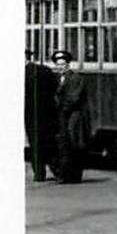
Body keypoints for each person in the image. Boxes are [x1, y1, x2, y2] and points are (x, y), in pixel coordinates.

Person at [50, 49, 91, 184]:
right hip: (62, 116)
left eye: (63, 64)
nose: (61, 67)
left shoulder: (76, 78)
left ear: (68, 65)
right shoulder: (57, 79)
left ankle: (73, 175)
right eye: (58, 64)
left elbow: (74, 98)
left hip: (73, 116)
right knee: (64, 146)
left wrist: (59, 106)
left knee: (74, 145)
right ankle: (65, 174)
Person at [24, 50, 59, 181]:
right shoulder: (45, 70)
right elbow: (55, 89)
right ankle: (57, 169)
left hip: (29, 114)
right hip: (48, 113)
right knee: (48, 141)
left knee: (35, 143)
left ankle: (39, 173)